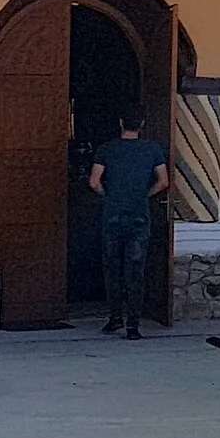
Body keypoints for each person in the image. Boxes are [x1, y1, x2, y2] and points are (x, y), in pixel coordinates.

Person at [89, 112, 168, 339]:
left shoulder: (106, 149)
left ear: (120, 123)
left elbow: (94, 182)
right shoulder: (153, 149)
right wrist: (145, 195)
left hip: (112, 214)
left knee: (112, 268)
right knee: (135, 270)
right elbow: (163, 182)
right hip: (139, 215)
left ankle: (115, 318)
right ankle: (133, 325)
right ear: (142, 125)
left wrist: (108, 196)